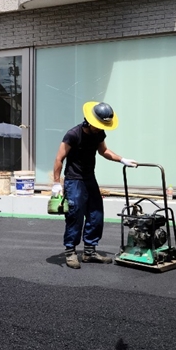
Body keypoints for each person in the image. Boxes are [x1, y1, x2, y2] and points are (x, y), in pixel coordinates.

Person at [53, 102, 137, 269]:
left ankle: (89, 251)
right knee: (75, 215)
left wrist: (121, 159)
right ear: (89, 121)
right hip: (74, 180)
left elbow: (103, 151)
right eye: (99, 125)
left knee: (96, 214)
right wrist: (56, 183)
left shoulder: (99, 133)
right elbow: (59, 159)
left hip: (89, 178)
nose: (100, 128)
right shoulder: (73, 134)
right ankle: (70, 252)